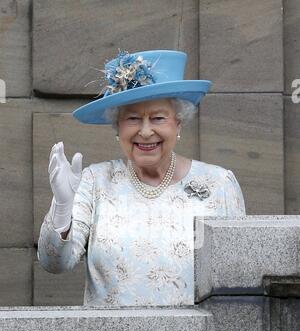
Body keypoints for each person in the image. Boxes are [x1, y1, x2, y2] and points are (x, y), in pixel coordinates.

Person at [37, 49, 246, 307]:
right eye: (133, 118)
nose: (146, 131)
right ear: (118, 127)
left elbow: (239, 282)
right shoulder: (95, 182)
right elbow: (55, 263)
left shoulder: (219, 185)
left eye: (158, 118)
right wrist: (62, 208)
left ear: (178, 124)